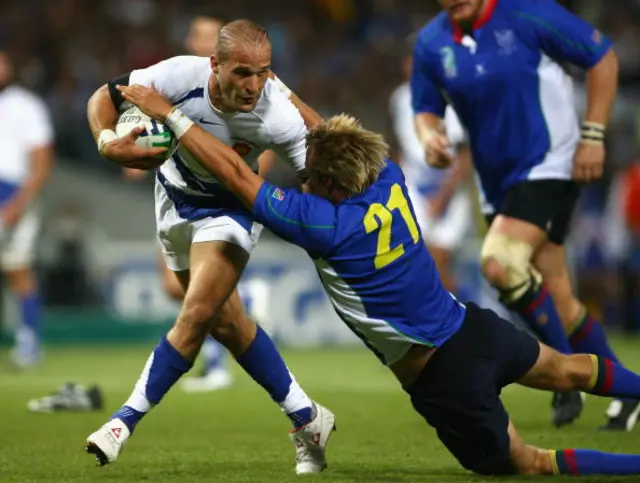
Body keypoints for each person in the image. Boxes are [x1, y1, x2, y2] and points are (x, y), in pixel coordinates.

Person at [120, 83, 640, 477]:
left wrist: (173, 116)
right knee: (571, 369)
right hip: (473, 330)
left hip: (443, 378)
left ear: (327, 184)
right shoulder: (386, 175)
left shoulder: (324, 225)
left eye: (310, 175)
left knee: (530, 462)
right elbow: (332, 138)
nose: (303, 177)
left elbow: (237, 178)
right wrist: (277, 88)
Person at [84, 20, 334, 475]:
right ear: (214, 65)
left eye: (263, 73)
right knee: (227, 323)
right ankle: (307, 416)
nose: (253, 85)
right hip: (173, 198)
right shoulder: (179, 75)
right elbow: (104, 98)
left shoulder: (276, 114)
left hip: (231, 211)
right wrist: (107, 143)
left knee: (196, 312)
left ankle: (122, 422)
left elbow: (320, 174)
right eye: (242, 72)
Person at [411, 0, 639, 430]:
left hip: (551, 161)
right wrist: (429, 137)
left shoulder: (528, 13)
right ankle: (627, 392)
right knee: (559, 296)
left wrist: (593, 135)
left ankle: (563, 377)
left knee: (500, 262)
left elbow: (602, 56)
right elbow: (425, 108)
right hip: (497, 181)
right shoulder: (431, 42)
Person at [123, 12, 234, 393]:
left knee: (204, 291)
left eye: (211, 36)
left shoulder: (238, 87)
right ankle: (244, 310)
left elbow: (260, 144)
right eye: (197, 34)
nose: (202, 42)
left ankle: (217, 365)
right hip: (175, 197)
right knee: (175, 287)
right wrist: (136, 152)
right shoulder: (174, 81)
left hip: (219, 201)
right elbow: (155, 130)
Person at [389, 37, 472, 294]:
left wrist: (442, 197)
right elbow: (399, 146)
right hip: (414, 191)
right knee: (417, 268)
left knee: (437, 265)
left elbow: (465, 155)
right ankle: (451, 325)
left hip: (447, 193)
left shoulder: (448, 99)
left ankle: (471, 320)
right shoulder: (399, 99)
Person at [0, 49, 54, 368]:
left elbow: (42, 160)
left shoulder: (26, 105)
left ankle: (29, 341)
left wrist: (20, 202)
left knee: (18, 269)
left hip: (13, 192)